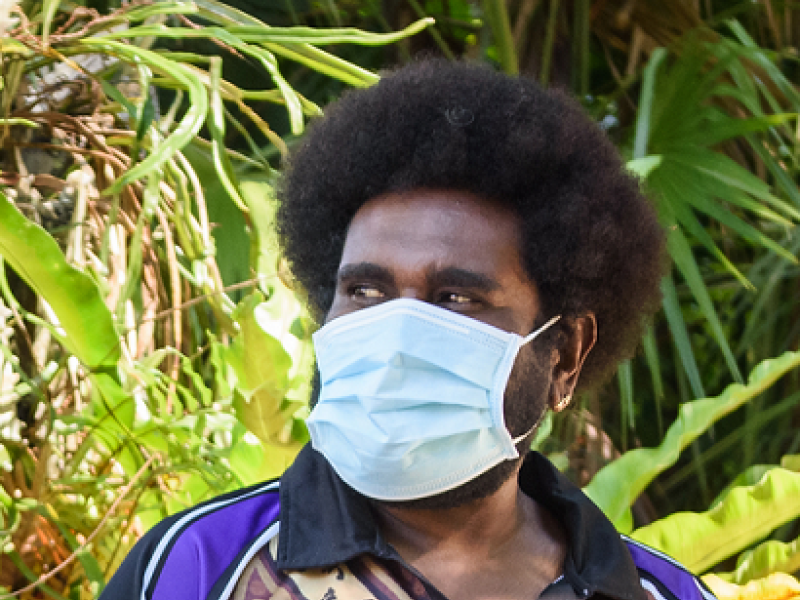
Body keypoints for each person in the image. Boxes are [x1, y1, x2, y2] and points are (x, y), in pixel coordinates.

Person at [100, 60, 716, 600]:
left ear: (565, 357)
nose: (395, 338)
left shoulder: (657, 592)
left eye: (456, 298)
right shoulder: (198, 567)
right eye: (365, 291)